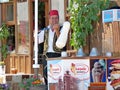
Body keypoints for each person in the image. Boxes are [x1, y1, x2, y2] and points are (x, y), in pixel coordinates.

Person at [38, 10, 70, 85]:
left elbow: (62, 43)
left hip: (58, 55)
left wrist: (57, 30)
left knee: (58, 76)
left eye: (56, 18)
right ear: (49, 19)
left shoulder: (62, 28)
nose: (54, 20)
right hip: (47, 56)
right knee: (47, 75)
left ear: (58, 19)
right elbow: (38, 41)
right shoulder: (45, 30)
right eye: (52, 18)